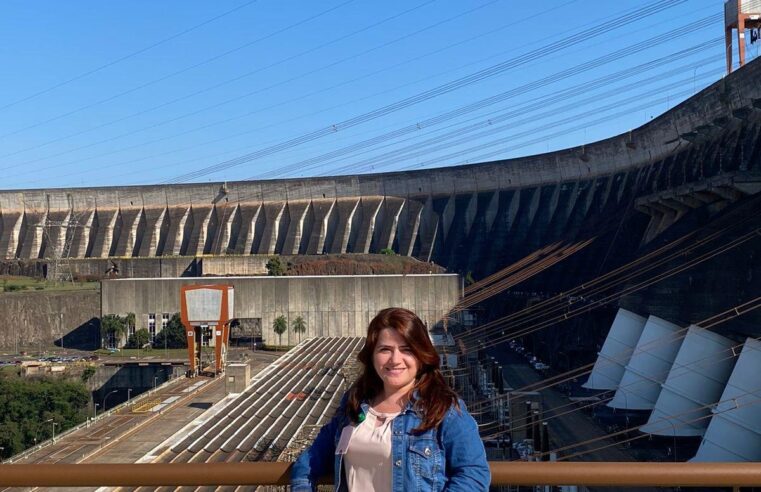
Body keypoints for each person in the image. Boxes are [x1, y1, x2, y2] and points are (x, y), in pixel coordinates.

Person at [291, 307, 490, 492]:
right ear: (372, 356)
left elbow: (473, 475)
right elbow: (310, 459)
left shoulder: (443, 409)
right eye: (385, 349)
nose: (395, 360)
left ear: (422, 356)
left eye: (407, 350)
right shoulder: (354, 403)